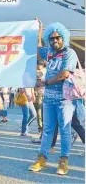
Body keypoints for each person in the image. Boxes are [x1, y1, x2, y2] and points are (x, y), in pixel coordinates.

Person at [29, 21, 77, 175]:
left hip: (65, 100)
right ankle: (42, 159)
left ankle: (63, 160)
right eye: (51, 38)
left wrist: (45, 82)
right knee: (48, 130)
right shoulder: (49, 52)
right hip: (49, 99)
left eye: (58, 38)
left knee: (65, 130)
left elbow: (64, 74)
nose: (55, 41)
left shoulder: (69, 53)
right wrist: (39, 34)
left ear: (63, 37)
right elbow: (38, 51)